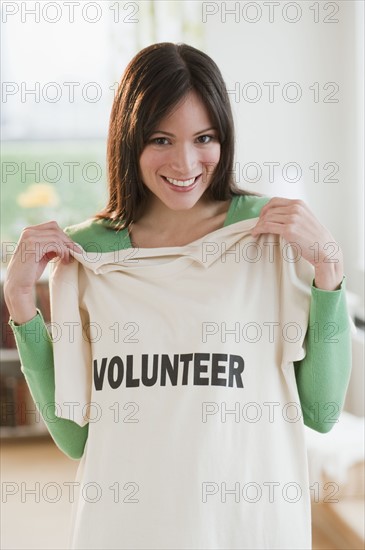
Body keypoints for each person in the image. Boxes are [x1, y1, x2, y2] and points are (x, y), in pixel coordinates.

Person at [4, 42, 351, 550]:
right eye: (161, 139)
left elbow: (320, 412)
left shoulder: (270, 235)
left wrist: (330, 272)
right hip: (124, 530)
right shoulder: (87, 257)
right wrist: (21, 305)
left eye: (203, 137)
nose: (185, 162)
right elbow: (76, 438)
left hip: (246, 528)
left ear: (223, 138)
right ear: (129, 140)